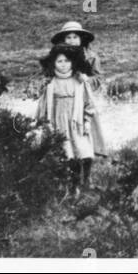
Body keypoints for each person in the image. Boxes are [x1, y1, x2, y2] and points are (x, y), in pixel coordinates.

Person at [36, 45, 106, 196]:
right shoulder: (50, 83)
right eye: (59, 61)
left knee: (84, 151)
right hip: (58, 122)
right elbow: (44, 106)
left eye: (67, 61)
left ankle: (85, 182)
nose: (63, 64)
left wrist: (87, 121)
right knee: (67, 155)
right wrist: (46, 124)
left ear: (73, 63)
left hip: (77, 122)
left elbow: (88, 103)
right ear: (53, 63)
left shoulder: (79, 81)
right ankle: (71, 187)